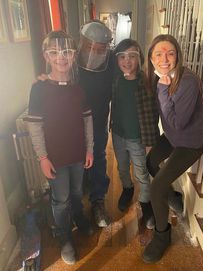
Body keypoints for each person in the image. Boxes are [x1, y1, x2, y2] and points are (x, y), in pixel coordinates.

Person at [26, 31, 94, 265]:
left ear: (73, 56)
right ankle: (64, 234)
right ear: (47, 55)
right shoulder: (39, 89)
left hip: (77, 153)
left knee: (76, 192)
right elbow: (34, 125)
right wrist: (42, 157)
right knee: (61, 198)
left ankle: (79, 216)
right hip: (54, 156)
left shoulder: (77, 89)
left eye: (66, 52)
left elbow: (87, 120)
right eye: (55, 52)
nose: (61, 57)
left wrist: (90, 149)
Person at [142, 34, 203, 263]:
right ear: (151, 59)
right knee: (150, 162)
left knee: (156, 187)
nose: (165, 59)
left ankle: (162, 236)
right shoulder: (157, 76)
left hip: (190, 142)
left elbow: (177, 122)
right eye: (158, 54)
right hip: (172, 136)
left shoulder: (187, 81)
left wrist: (162, 89)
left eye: (170, 53)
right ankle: (172, 196)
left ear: (178, 55)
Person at [110, 39, 159, 229]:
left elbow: (154, 111)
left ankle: (146, 204)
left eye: (132, 56)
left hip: (138, 138)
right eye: (122, 56)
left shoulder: (148, 82)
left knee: (142, 172)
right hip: (118, 135)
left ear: (140, 59)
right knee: (122, 167)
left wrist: (150, 141)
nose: (127, 61)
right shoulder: (116, 80)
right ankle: (127, 189)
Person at [77, 20, 113, 227]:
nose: (94, 52)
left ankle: (98, 201)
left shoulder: (110, 65)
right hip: (73, 124)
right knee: (76, 162)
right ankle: (77, 204)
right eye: (90, 47)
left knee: (98, 158)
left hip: (98, 121)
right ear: (82, 43)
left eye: (100, 49)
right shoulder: (71, 63)